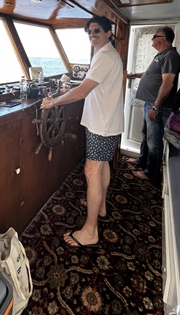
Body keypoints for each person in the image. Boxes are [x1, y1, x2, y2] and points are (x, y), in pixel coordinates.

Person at [41, 16, 124, 249]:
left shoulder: (105, 56)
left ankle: (90, 230)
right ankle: (103, 206)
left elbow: (82, 92)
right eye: (89, 31)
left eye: (97, 30)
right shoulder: (107, 55)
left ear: (109, 33)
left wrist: (54, 102)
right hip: (107, 123)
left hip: (102, 125)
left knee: (92, 171)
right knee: (103, 165)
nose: (92, 34)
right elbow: (89, 86)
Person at [127, 27, 180, 185]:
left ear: (162, 39)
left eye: (154, 36)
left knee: (154, 140)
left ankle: (151, 173)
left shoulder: (170, 56)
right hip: (151, 103)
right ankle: (142, 160)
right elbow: (151, 74)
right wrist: (134, 75)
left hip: (157, 105)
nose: (152, 39)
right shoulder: (162, 55)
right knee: (146, 134)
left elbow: (167, 83)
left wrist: (156, 107)